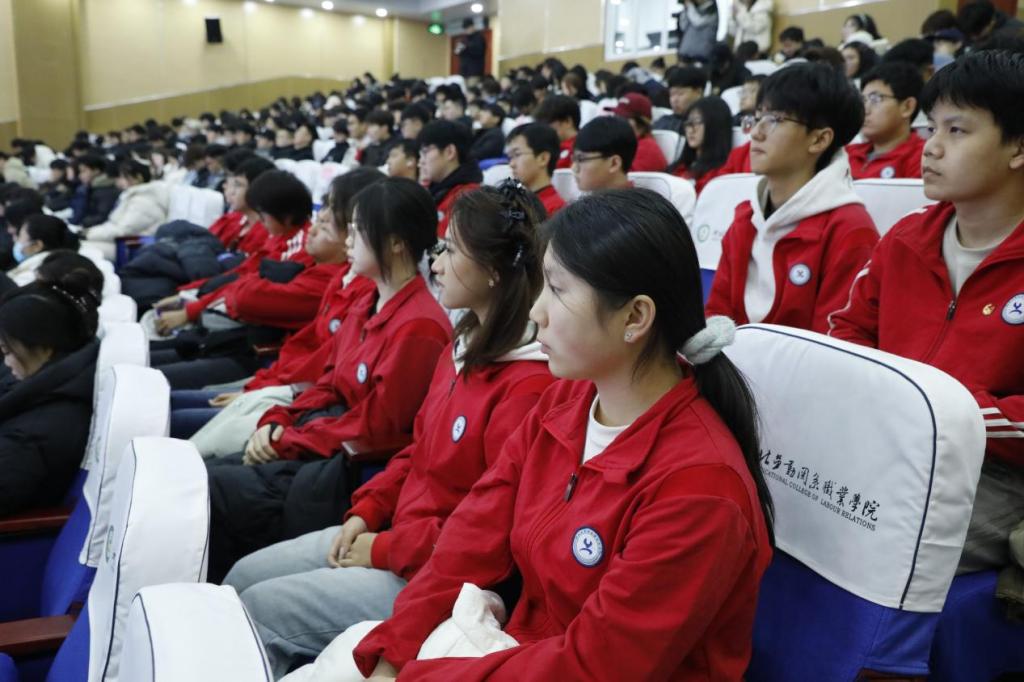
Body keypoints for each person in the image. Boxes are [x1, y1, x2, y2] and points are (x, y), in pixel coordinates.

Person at [350, 188, 774, 680]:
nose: (536, 312)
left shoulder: (700, 490)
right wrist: (394, 651)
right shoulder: (565, 402)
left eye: (557, 289)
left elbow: (593, 666)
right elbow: (470, 536)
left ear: (635, 317)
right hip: (518, 652)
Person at [223, 182, 554, 676]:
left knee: (255, 610)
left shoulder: (527, 387)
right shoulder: (463, 348)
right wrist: (368, 511)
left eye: (450, 251)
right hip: (393, 535)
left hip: (433, 577)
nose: (435, 264)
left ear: (492, 271)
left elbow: (486, 532)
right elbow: (416, 450)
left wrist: (383, 547)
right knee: (242, 576)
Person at [828, 50, 1024, 573]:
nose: (931, 148)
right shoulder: (908, 238)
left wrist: (939, 412)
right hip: (891, 441)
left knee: (874, 538)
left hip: (995, 469)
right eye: (931, 128)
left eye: (956, 131)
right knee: (778, 498)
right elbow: (849, 330)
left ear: (1018, 147)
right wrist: (896, 404)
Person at [205, 178, 452, 582]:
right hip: (314, 440)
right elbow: (327, 381)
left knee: (214, 488)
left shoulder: (419, 327)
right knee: (209, 470)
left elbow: (374, 428)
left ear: (395, 243)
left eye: (359, 230)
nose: (348, 241)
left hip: (338, 468)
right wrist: (278, 420)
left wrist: (290, 440)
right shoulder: (367, 301)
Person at [706, 63, 879, 333]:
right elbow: (716, 317)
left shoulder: (850, 231)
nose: (756, 133)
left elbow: (834, 343)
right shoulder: (746, 218)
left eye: (775, 119)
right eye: (757, 118)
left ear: (819, 140)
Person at [0, 271, 100, 516]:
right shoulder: (63, 382)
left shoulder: (30, 440)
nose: (6, 362)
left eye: (8, 351)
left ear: (44, 347)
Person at [847, 62, 925, 180]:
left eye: (875, 99)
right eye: (863, 100)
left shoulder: (924, 158)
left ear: (907, 107)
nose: (865, 110)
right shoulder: (849, 153)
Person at [80, 160, 169, 261]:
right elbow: (113, 225)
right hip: (122, 242)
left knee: (81, 249)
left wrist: (88, 234)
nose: (120, 181)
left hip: (133, 247)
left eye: (123, 177)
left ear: (138, 177)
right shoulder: (133, 196)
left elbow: (123, 231)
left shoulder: (144, 201)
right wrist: (88, 232)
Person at [417, 120, 483, 237]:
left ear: (450, 152)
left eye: (425, 152)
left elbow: (439, 242)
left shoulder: (468, 198)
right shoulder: (437, 189)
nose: (420, 162)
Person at [669, 97, 735, 194]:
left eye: (697, 121)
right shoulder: (680, 167)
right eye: (688, 122)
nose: (690, 130)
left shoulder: (720, 175)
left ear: (716, 126)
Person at [505, 123, 565, 216]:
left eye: (517, 154)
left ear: (543, 158)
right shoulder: (516, 201)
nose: (511, 164)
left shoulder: (556, 210)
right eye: (510, 157)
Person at [7, 215, 81, 286]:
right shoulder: (62, 264)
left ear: (37, 246)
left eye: (20, 236)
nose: (16, 240)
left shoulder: (27, 278)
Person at [572, 116, 637, 192]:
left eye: (581, 159)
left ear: (614, 163)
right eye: (574, 159)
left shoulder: (637, 200)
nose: (573, 168)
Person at [610, 92, 667, 173]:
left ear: (641, 124)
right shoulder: (623, 143)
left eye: (623, 118)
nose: (616, 122)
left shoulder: (648, 151)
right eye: (615, 117)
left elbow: (620, 177)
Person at [653, 67, 708, 135]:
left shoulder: (708, 123)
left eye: (680, 94)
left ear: (698, 92)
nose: (674, 100)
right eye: (672, 94)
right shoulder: (663, 122)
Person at [68, 155, 120, 229]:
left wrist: (82, 222)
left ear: (96, 171)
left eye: (83, 171)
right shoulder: (90, 187)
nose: (80, 176)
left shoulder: (106, 191)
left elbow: (102, 217)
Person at [531, 95, 580, 170]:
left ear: (567, 121)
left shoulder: (583, 148)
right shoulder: (549, 149)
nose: (544, 130)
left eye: (548, 124)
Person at [957, 0, 1024, 45]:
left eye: (976, 33)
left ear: (991, 23)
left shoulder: (1009, 39)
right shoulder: (986, 17)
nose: (973, 38)